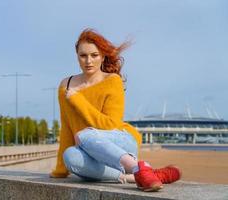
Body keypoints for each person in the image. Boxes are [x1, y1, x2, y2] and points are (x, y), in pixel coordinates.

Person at [50, 29, 181, 192]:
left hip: (119, 142)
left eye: (94, 55)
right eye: (83, 56)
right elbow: (67, 127)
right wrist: (61, 169)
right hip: (87, 149)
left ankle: (134, 167)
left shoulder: (113, 81)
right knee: (70, 156)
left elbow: (111, 125)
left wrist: (78, 101)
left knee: (84, 134)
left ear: (103, 56)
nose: (88, 61)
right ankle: (138, 174)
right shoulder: (66, 85)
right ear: (77, 56)